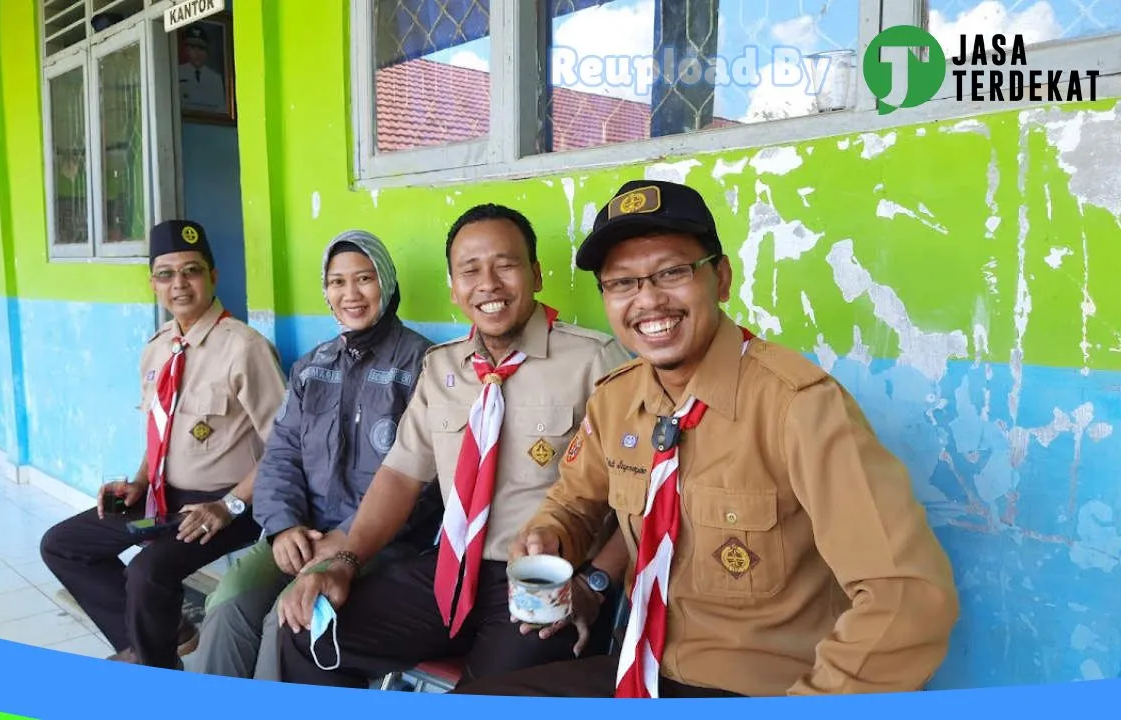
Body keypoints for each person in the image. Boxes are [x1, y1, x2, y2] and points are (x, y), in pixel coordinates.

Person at [453, 180, 960, 698]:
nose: (648, 300)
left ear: (720, 278)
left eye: (672, 273)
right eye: (622, 283)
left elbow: (908, 596)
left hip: (760, 689)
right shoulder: (615, 400)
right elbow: (575, 502)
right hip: (638, 670)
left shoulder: (799, 406)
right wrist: (550, 535)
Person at [274, 204, 634, 690]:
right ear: (453, 286)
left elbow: (642, 492)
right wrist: (345, 559)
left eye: (505, 265)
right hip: (449, 571)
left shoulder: (596, 360)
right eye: (470, 270)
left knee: (484, 695)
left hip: (542, 585)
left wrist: (596, 582)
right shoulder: (443, 368)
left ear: (535, 273)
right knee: (309, 636)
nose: (488, 283)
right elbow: (401, 475)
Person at [186, 230, 444, 679]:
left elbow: (424, 481)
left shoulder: (423, 365)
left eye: (364, 279)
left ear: (386, 282)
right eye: (337, 282)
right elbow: (281, 454)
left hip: (379, 544)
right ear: (326, 291)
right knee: (229, 603)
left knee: (286, 620)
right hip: (301, 535)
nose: (351, 294)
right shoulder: (312, 366)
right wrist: (283, 527)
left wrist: (343, 541)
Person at [40, 219, 289, 670]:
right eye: (166, 274)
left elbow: (285, 447)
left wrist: (229, 504)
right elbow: (161, 432)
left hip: (231, 504)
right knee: (63, 543)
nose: (179, 284)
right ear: (153, 283)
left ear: (213, 277)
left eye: (191, 271)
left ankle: (154, 671)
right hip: (161, 497)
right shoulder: (157, 350)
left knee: (147, 572)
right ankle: (158, 638)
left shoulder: (244, 348)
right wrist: (136, 482)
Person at [178, 26, 227, 114]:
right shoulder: (177, 72)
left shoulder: (215, 78)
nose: (197, 53)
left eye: (201, 48)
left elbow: (221, 109)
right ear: (186, 50)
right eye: (193, 48)